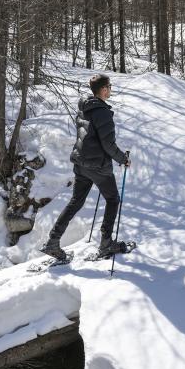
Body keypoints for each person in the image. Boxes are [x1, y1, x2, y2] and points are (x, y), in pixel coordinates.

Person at [41, 74, 130, 260]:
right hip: (97, 165)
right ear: (104, 89)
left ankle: (53, 242)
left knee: (76, 201)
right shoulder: (103, 112)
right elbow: (108, 144)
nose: (111, 89)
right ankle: (106, 243)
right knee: (113, 199)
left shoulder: (85, 108)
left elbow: (88, 137)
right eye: (110, 86)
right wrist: (123, 159)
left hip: (81, 162)